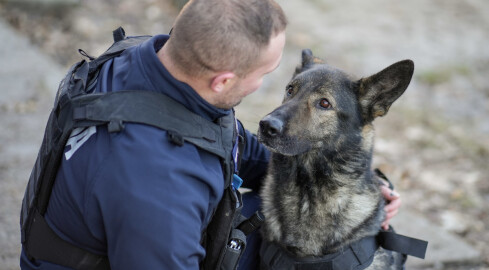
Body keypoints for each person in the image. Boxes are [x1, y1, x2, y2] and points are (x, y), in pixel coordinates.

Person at [20, 0, 401, 269]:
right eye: (265, 76)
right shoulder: (159, 186)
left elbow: (242, 152)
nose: (266, 88)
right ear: (223, 81)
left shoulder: (152, 65)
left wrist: (359, 185)